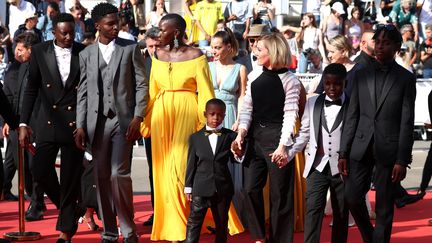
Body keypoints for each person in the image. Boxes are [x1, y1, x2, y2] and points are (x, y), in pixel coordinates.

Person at [141, 13, 222, 242]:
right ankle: (172, 226)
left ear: (176, 32)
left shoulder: (196, 55)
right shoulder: (157, 54)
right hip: (161, 115)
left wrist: (205, 122)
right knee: (163, 171)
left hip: (187, 112)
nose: (158, 34)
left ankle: (186, 222)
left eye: (162, 30)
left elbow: (206, 91)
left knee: (180, 169)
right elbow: (152, 91)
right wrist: (143, 120)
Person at [74, 3, 148, 242]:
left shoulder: (130, 48)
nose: (116, 26)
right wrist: (80, 125)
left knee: (119, 175)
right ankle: (109, 232)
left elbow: (141, 84)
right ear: (97, 26)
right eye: (110, 24)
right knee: (102, 177)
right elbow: (82, 92)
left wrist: (139, 116)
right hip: (96, 124)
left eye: (117, 22)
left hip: (124, 121)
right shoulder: (86, 54)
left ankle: (128, 231)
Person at [338, 24, 416, 243]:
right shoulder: (360, 74)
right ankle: (371, 238)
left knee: (384, 207)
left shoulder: (405, 79)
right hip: (360, 146)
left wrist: (402, 159)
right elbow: (352, 115)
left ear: (397, 47)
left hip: (389, 150)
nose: (380, 46)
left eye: (386, 43)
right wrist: (343, 152)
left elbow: (406, 122)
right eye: (378, 42)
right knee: (352, 197)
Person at [18, 13, 86, 243]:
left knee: (69, 178)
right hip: (47, 121)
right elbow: (31, 89)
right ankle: (72, 208)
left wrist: (85, 123)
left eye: (71, 32)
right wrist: (23, 122)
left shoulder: (83, 51)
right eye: (63, 33)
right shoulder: (39, 51)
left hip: (74, 124)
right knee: (39, 170)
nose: (68, 37)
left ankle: (65, 231)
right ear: (53, 33)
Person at [233, 32, 301, 243]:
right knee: (250, 188)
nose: (255, 51)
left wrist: (283, 146)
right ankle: (259, 237)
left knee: (280, 195)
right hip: (255, 139)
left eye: (260, 49)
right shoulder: (254, 76)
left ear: (272, 51)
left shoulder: (291, 80)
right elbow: (247, 109)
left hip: (278, 139)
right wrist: (241, 134)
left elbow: (291, 114)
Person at [289, 63, 349, 243]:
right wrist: (290, 152)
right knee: (313, 209)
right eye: (327, 83)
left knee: (341, 212)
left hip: (343, 169)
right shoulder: (312, 102)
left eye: (337, 84)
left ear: (345, 83)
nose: (331, 88)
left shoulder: (353, 103)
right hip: (317, 166)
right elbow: (305, 133)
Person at [184, 98, 246, 243]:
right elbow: (191, 164)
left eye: (220, 115)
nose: (215, 118)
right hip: (200, 188)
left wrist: (238, 152)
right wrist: (188, 187)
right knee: (194, 223)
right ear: (205, 114)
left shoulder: (230, 136)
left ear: (224, 116)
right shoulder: (195, 138)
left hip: (223, 188)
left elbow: (237, 158)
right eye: (212, 114)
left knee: (222, 225)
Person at [2, 32, 45, 221]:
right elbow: (7, 96)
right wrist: (7, 122)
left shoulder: (42, 67)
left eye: (21, 49)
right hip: (15, 124)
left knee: (35, 166)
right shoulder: (14, 68)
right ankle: (35, 199)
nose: (17, 53)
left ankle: (37, 202)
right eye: (16, 49)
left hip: (36, 124)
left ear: (31, 49)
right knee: (22, 167)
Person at [209, 28, 247, 223]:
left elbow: (242, 97)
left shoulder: (240, 68)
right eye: (212, 47)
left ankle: (237, 218)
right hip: (210, 120)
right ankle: (216, 218)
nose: (213, 51)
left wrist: (239, 120)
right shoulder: (208, 67)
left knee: (232, 171)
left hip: (231, 116)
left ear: (229, 47)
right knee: (213, 169)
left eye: (217, 47)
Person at [140, 26, 160, 227]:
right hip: (149, 124)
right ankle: (157, 211)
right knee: (153, 169)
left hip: (172, 122)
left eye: (157, 45)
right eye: (150, 46)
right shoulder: (142, 64)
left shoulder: (175, 61)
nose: (154, 49)